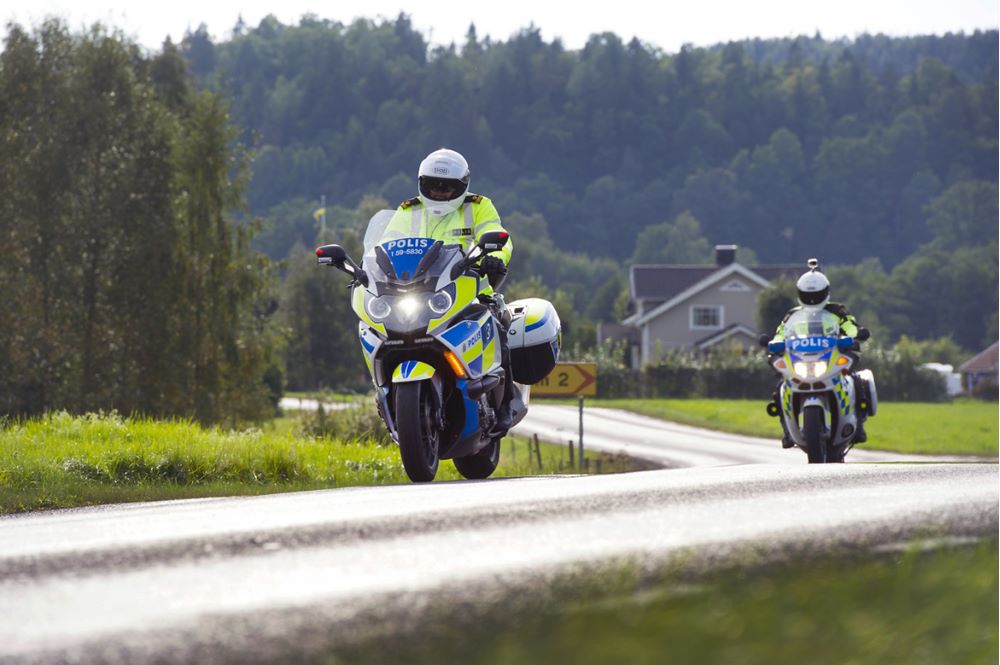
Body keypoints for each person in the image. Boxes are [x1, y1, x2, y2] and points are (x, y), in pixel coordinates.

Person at [385, 148, 516, 432]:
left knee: (496, 321)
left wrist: (496, 257)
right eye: (433, 185)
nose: (440, 191)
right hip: (417, 294)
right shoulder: (409, 212)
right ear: (422, 184)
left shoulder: (478, 206)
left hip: (469, 289)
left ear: (462, 186)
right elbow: (384, 245)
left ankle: (505, 403)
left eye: (447, 187)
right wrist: (369, 267)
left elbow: (499, 235)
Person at [769, 261, 869, 448]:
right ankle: (787, 432)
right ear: (800, 294)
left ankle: (860, 424)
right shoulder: (792, 314)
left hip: (832, 356)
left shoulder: (836, 310)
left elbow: (849, 325)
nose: (813, 299)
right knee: (781, 386)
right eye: (808, 295)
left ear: (825, 292)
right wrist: (775, 342)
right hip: (802, 359)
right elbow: (781, 332)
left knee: (857, 379)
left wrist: (854, 334)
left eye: (816, 295)